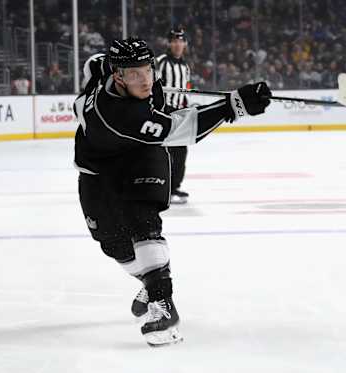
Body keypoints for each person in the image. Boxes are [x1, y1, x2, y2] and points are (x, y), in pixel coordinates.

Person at [73, 37, 271, 347]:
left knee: (142, 219)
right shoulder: (118, 113)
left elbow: (93, 64)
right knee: (112, 244)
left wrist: (232, 105)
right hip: (98, 171)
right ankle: (151, 280)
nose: (145, 80)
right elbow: (182, 128)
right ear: (117, 76)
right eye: (134, 74)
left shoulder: (103, 68)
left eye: (147, 70)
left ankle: (162, 305)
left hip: (143, 156)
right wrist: (233, 105)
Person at [155, 29, 191, 204]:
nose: (178, 44)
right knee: (166, 152)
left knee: (181, 151)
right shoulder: (161, 62)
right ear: (169, 43)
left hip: (180, 115)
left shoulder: (185, 66)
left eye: (181, 41)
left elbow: (185, 90)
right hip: (164, 113)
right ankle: (164, 189)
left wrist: (187, 109)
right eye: (174, 41)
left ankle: (174, 187)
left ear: (184, 44)